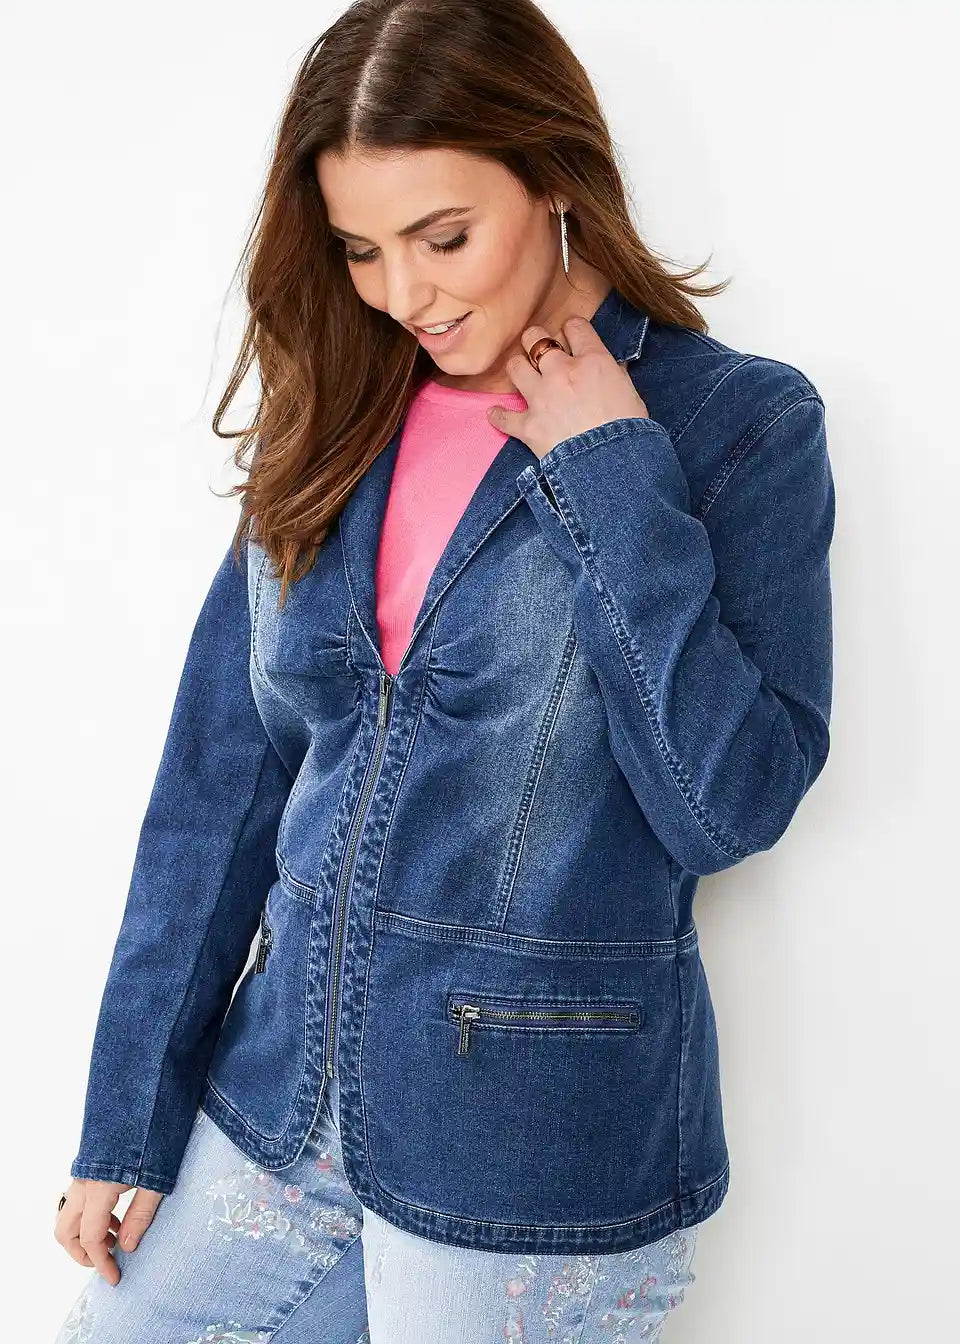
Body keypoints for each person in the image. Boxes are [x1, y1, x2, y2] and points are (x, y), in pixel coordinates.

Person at [52, 1, 835, 1340]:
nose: (405, 296)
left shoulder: (738, 425)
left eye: (444, 237)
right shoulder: (343, 408)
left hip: (526, 1151)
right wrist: (131, 1107)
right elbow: (218, 784)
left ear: (555, 177)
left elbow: (730, 806)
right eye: (362, 250)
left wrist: (609, 472)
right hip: (279, 1099)